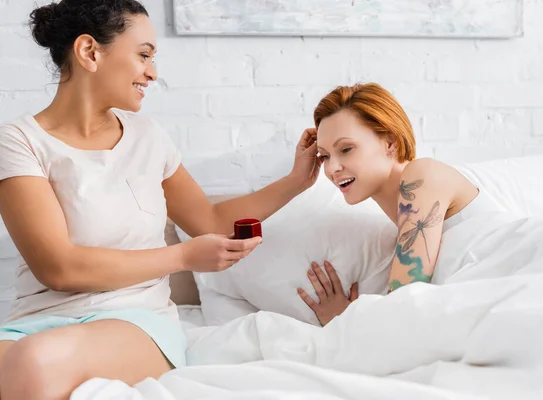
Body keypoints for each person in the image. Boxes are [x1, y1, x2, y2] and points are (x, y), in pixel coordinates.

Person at [0, 1, 321, 399]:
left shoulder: (148, 137)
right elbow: (58, 268)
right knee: (25, 358)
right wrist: (184, 256)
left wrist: (297, 181)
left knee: (34, 362)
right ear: (90, 52)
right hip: (34, 322)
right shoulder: (19, 141)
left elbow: (210, 223)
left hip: (133, 321)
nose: (152, 72)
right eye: (143, 55)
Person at [297, 83, 495, 326]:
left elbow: (402, 309)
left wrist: (348, 320)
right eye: (324, 156)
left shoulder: (422, 174)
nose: (331, 168)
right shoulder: (403, 227)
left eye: (346, 149)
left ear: (390, 143)